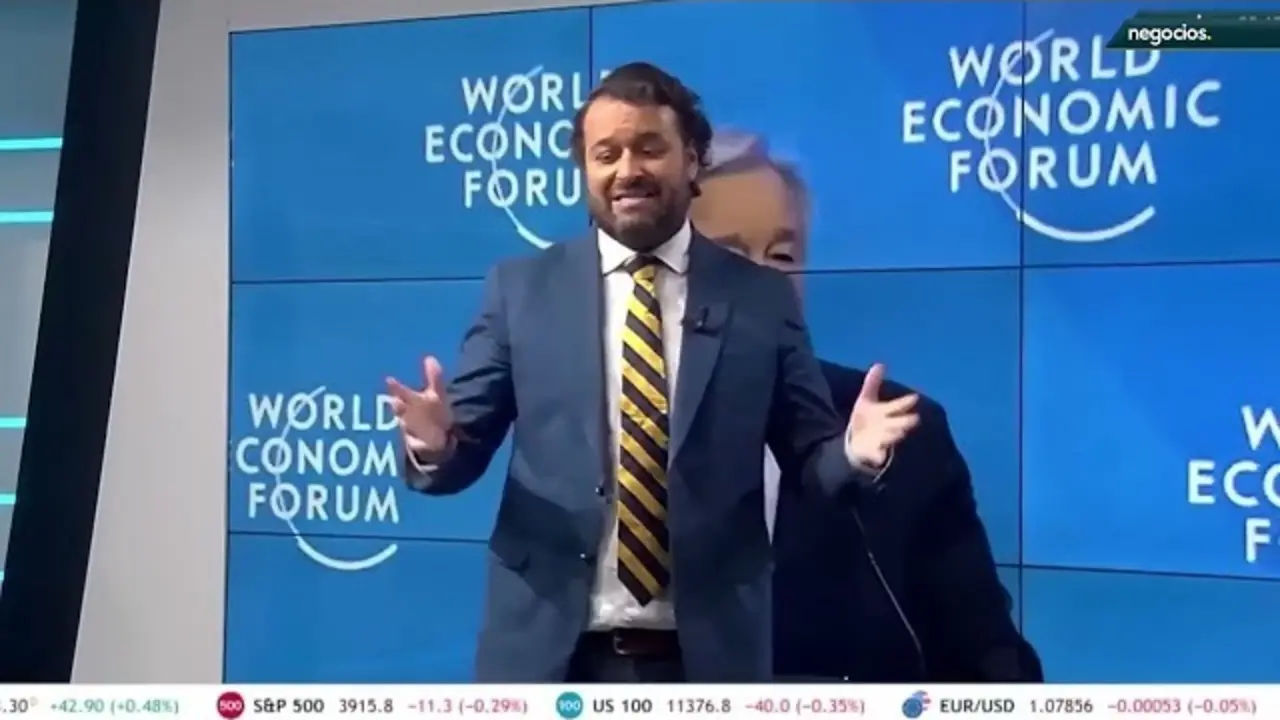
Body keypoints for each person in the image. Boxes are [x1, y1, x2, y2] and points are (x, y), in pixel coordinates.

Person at [385, 63, 921, 684]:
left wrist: (851, 454)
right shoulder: (521, 290)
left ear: (692, 161)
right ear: (585, 171)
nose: (627, 170)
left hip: (707, 662)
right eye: (605, 154)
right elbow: (460, 455)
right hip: (547, 659)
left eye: (649, 148)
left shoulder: (759, 297)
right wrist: (433, 445)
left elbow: (810, 461)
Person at [691, 132, 1043, 682]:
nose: (766, 279)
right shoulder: (595, 425)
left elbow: (988, 659)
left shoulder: (906, 435)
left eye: (782, 255)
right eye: (731, 255)